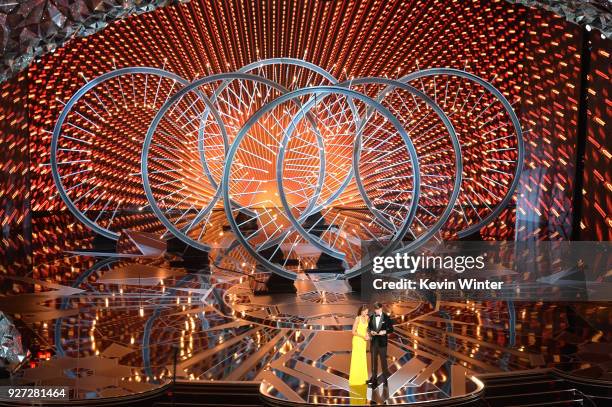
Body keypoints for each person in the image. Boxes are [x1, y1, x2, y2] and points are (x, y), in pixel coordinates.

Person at [367, 302, 393, 387]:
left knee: (383, 361)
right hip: (374, 342)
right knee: (373, 361)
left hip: (382, 343)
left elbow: (391, 329)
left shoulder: (386, 317)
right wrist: (371, 332)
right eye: (375, 309)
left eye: (378, 309)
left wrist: (385, 331)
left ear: (381, 308)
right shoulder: (371, 317)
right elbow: (369, 328)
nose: (377, 311)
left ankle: (386, 379)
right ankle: (373, 378)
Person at [348, 305, 370, 386]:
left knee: (362, 358)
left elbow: (367, 328)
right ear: (361, 311)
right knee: (357, 359)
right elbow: (353, 332)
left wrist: (367, 334)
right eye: (365, 311)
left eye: (367, 311)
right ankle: (356, 379)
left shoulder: (367, 317)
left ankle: (363, 378)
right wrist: (363, 336)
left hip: (364, 341)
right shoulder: (358, 318)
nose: (366, 313)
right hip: (357, 340)